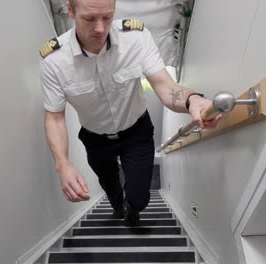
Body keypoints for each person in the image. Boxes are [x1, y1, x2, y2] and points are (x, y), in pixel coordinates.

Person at [40, 0, 221, 226]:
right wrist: (63, 164)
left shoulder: (135, 37)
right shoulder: (54, 61)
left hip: (136, 132)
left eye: (107, 17)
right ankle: (117, 205)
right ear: (71, 11)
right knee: (109, 184)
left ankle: (132, 209)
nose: (100, 28)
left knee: (139, 198)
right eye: (89, 18)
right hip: (95, 139)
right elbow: (54, 117)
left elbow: (166, 87)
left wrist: (193, 100)